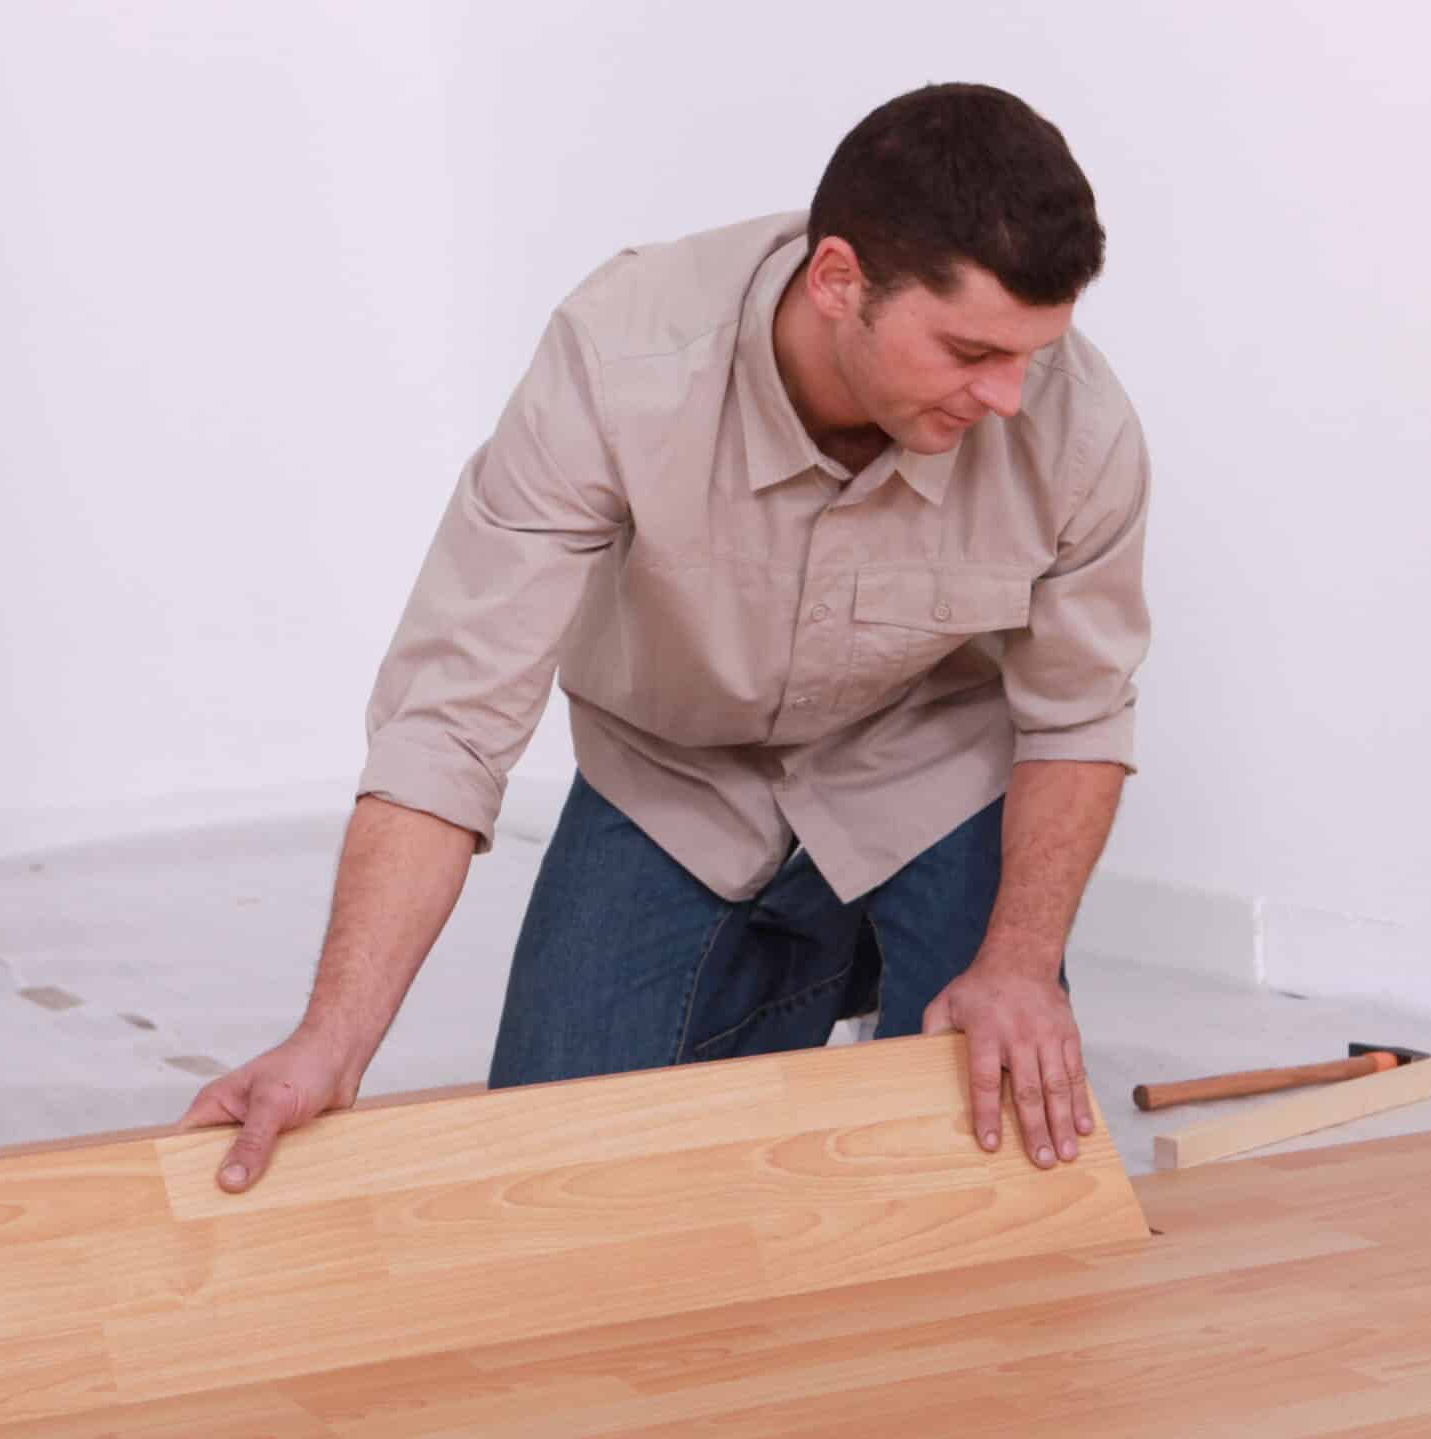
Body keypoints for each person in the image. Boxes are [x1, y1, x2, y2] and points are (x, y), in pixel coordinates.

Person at [184, 81, 1151, 1194]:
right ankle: (803, 977)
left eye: (1033, 353)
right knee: (558, 1180)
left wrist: (1021, 964)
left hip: (925, 779)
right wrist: (330, 1041)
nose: (1012, 398)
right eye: (971, 351)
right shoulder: (619, 359)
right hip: (679, 782)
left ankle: (891, 970)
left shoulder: (1077, 426)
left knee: (986, 1180)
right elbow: (450, 720)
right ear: (840, 281)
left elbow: (1078, 715)